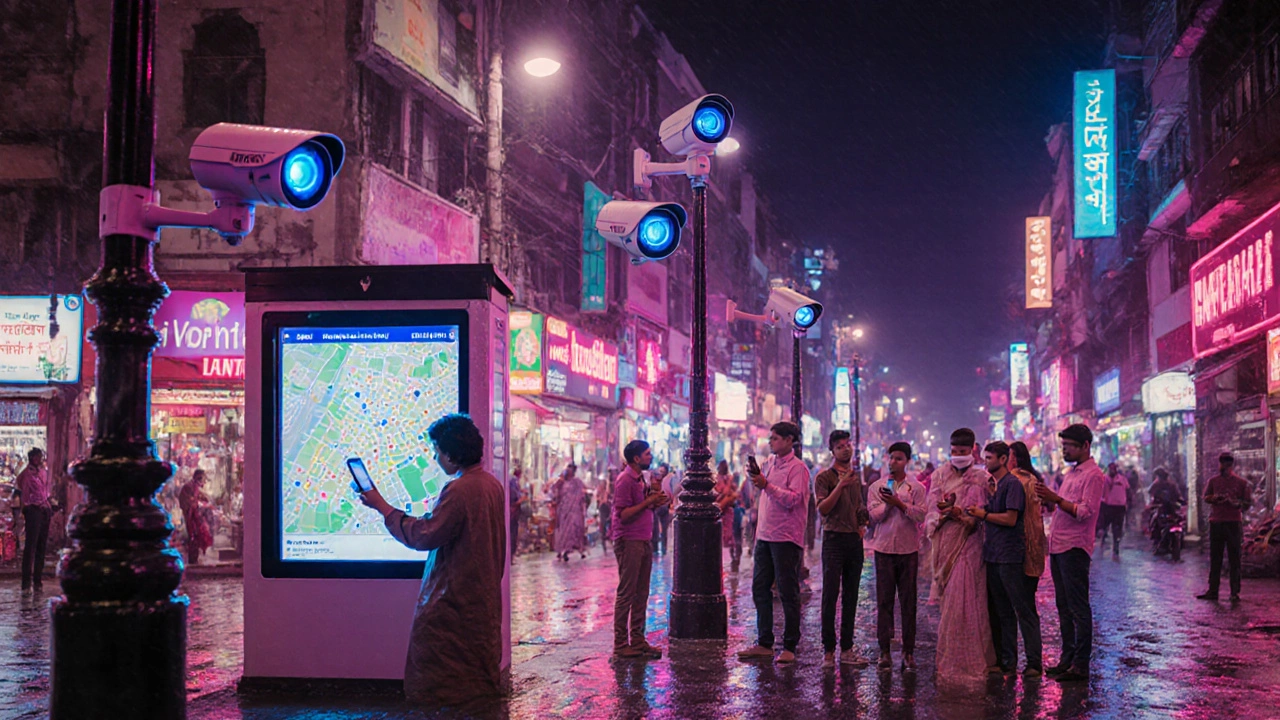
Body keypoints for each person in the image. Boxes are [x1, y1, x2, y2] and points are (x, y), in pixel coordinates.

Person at [354, 414, 506, 705]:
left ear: (451, 454)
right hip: (481, 603)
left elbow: (425, 535)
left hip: (453, 607)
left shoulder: (460, 489)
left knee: (444, 692)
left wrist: (382, 506)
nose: (436, 457)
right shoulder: (490, 484)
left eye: (437, 451)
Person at [1035, 423, 1106, 683]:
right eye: (1064, 446)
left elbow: (1084, 512)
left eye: (1070, 446)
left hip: (1075, 547)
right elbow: (1063, 508)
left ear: (1085, 446)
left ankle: (1080, 664)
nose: (1065, 451)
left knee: (1078, 608)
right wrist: (1048, 502)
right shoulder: (1071, 473)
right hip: (1058, 545)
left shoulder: (1094, 476)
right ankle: (1067, 660)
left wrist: (1054, 498)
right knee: (1063, 607)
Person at [924, 427, 996, 681]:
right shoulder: (939, 475)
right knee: (951, 602)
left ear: (973, 450)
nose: (958, 456)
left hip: (973, 544)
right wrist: (942, 515)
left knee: (970, 600)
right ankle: (952, 656)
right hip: (947, 544)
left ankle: (976, 658)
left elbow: (990, 515)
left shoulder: (983, 479)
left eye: (963, 452)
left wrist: (965, 517)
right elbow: (931, 509)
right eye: (954, 452)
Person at [966, 441, 1042, 679]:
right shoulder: (995, 486)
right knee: (1001, 611)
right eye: (985, 458)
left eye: (989, 458)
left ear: (1002, 459)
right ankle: (1007, 661)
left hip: (1010, 556)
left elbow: (1010, 519)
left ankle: (1034, 663)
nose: (986, 462)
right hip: (993, 555)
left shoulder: (1013, 485)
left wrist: (984, 515)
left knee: (1023, 610)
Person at [738, 422, 811, 665]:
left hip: (786, 537)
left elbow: (794, 499)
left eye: (776, 438)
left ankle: (790, 645)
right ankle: (765, 642)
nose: (771, 442)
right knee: (760, 588)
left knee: (788, 590)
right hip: (765, 536)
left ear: (790, 440)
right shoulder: (769, 464)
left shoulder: (798, 469)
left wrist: (766, 485)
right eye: (771, 438)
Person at [867, 441, 927, 671]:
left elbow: (921, 515)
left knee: (908, 602)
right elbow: (874, 516)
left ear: (907, 461)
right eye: (891, 458)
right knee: (883, 601)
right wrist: (889, 505)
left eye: (899, 458)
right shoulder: (877, 487)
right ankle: (884, 651)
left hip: (908, 550)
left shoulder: (916, 488)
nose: (894, 462)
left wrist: (900, 504)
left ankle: (908, 651)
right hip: (883, 550)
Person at [814, 430, 871, 669]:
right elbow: (823, 509)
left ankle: (847, 649)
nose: (846, 449)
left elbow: (860, 506)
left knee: (851, 596)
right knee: (830, 595)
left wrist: (862, 526)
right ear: (832, 451)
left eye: (848, 445)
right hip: (833, 539)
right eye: (840, 446)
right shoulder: (824, 477)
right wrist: (840, 485)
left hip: (853, 541)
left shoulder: (856, 477)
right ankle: (829, 650)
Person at [611, 440, 668, 660]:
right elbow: (624, 514)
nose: (650, 457)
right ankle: (620, 643)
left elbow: (646, 505)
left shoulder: (640, 479)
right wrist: (648, 502)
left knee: (642, 592)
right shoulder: (625, 480)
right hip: (629, 541)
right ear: (636, 458)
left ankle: (637, 639)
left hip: (644, 539)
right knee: (627, 593)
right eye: (646, 454)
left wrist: (655, 498)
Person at [1198, 452, 1253, 602]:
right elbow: (1206, 497)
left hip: (1233, 523)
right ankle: (1213, 590)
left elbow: (1247, 503)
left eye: (1227, 464)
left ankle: (1234, 592)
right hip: (1216, 522)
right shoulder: (1213, 481)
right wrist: (1215, 498)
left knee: (1234, 558)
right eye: (1222, 463)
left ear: (1231, 465)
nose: (1224, 467)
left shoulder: (1241, 483)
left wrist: (1236, 504)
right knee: (1216, 558)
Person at [1008, 441, 1047, 595]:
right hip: (1034, 542)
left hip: (1018, 544)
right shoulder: (1034, 478)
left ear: (1015, 459)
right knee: (1028, 595)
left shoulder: (1015, 480)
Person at [16, 448, 52, 591]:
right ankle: (26, 581)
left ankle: (38, 580)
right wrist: (29, 506)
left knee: (41, 546)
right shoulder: (26, 475)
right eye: (37, 457)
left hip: (44, 510)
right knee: (30, 546)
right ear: (31, 458)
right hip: (33, 511)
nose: (39, 459)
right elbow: (23, 492)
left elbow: (45, 491)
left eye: (40, 457)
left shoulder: (42, 472)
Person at [551, 463, 587, 561]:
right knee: (563, 530)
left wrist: (583, 507)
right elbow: (554, 491)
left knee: (574, 530)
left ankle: (572, 549)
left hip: (575, 511)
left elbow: (583, 494)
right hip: (563, 511)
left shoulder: (577, 482)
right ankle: (561, 550)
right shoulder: (561, 482)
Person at [178, 469, 213, 567]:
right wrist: (194, 504)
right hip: (190, 515)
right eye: (202, 478)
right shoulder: (189, 486)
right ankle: (192, 559)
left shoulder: (194, 486)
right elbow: (186, 501)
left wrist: (203, 499)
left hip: (195, 515)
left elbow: (199, 497)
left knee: (197, 535)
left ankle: (194, 558)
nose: (203, 482)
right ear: (198, 477)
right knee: (193, 535)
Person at [715, 460, 742, 572]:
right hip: (722, 511)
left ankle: (734, 557)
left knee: (732, 536)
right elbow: (724, 493)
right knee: (722, 536)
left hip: (729, 511)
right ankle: (730, 558)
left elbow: (734, 493)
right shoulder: (717, 479)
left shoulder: (728, 479)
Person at [1097, 462, 1128, 559]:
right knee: (1104, 525)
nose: (1112, 471)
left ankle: (1116, 548)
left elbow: (1127, 490)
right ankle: (1103, 538)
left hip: (1119, 507)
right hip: (1108, 506)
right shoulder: (1104, 479)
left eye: (1114, 469)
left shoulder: (1122, 479)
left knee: (1117, 529)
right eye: (1111, 469)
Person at [652, 463, 673, 555]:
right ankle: (657, 548)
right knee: (657, 528)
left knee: (662, 528)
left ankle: (661, 548)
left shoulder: (666, 481)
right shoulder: (660, 481)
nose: (661, 473)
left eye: (663, 471)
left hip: (663, 506)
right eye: (660, 471)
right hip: (660, 506)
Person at [508, 466, 524, 558]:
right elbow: (516, 498)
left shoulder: (512, 482)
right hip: (513, 512)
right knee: (513, 534)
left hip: (513, 511)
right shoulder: (513, 482)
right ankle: (511, 555)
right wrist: (520, 500)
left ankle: (511, 555)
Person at [597, 472, 613, 555]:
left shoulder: (607, 492)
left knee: (610, 527)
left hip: (607, 510)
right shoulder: (599, 493)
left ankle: (610, 542)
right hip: (602, 510)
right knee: (603, 528)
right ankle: (605, 548)